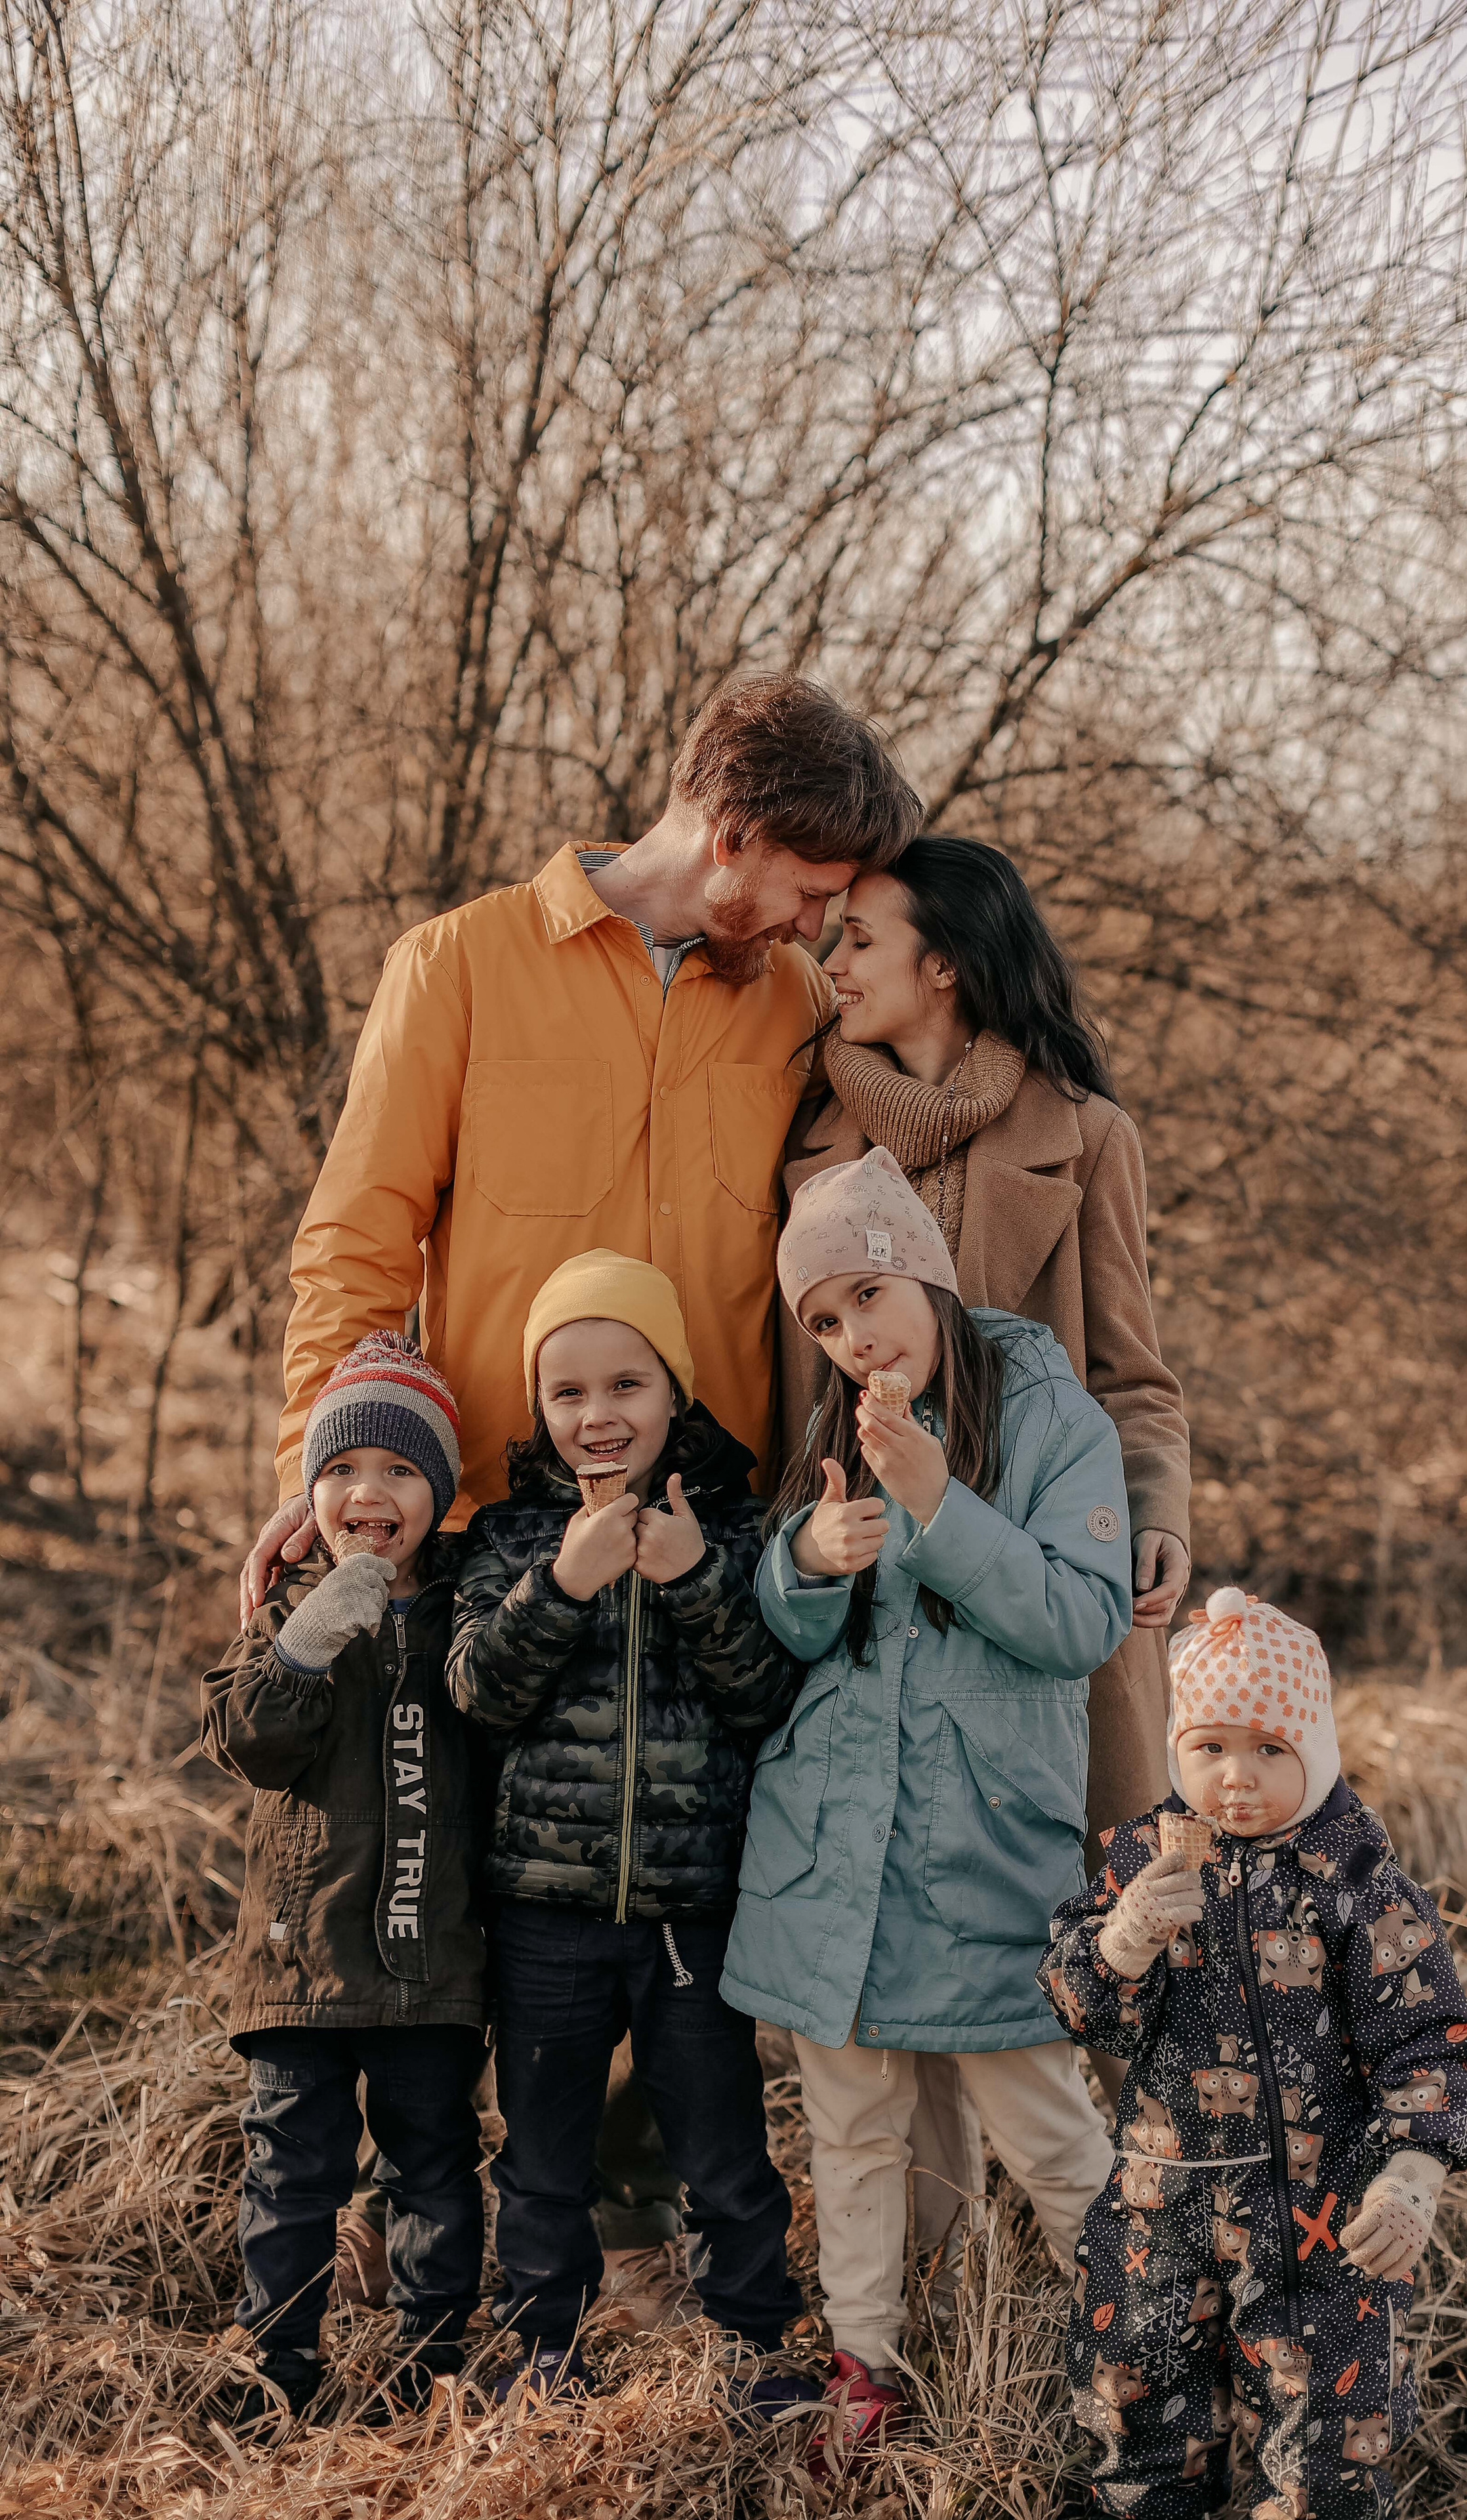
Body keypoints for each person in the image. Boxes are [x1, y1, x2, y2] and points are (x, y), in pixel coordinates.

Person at [235, 671, 919, 2277]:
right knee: (486, 1897)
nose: (824, 925)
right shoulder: (462, 964)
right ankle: (459, 2237)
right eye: (813, 890)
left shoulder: (795, 1009)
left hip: (711, 1535)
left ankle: (630, 2223)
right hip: (489, 1526)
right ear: (732, 836)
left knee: (681, 1879)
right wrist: (319, 1477)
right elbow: (354, 1239)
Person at [775, 831, 1193, 2224]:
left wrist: (1154, 1520)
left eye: (858, 942)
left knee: (1082, 1931)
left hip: (1041, 1587)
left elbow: (1131, 1375)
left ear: (942, 965)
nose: (829, 965)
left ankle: (1121, 2272)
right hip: (869, 1614)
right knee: (898, 1944)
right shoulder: (808, 1144)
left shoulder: (1085, 1135)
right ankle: (944, 2276)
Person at [722, 1147, 1130, 2452]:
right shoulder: (835, 1421)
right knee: (849, 2130)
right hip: (831, 1850)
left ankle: (1160, 2345)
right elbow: (786, 1634)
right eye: (822, 1321)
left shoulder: (1051, 1418)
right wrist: (803, 1562)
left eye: (864, 1299)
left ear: (926, 1279)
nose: (849, 1339)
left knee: (1045, 2127)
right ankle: (866, 2364)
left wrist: (932, 1503)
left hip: (982, 1850)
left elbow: (1079, 1619)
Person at [446, 1252, 814, 2409]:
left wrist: (698, 1579)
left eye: (627, 1386)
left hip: (690, 1907)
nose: (598, 1417)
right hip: (546, 1913)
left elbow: (768, 1699)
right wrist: (558, 1583)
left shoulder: (743, 1530)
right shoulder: (506, 1538)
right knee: (544, 2154)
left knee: (723, 2149)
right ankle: (544, 2358)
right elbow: (476, 1696)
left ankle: (755, 2350)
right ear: (542, 1408)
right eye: (569, 1394)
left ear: (676, 1394)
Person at [1039, 1589, 1467, 2520]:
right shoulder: (1143, 1865)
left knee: (1327, 2453)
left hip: (1322, 2224)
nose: (1235, 1777)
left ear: (1314, 1751)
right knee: (1137, 2433)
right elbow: (1083, 2009)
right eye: (1209, 1748)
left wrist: (1412, 2175)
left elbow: (1428, 2040)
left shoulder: (1359, 1884)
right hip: (1161, 2213)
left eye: (1268, 1749)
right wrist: (1125, 1941)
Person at [201, 1336, 487, 2431]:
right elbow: (244, 1739)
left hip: (430, 1961)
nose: (369, 1492)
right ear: (309, 1494)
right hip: (300, 1963)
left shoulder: (466, 1610)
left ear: (440, 1495)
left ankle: (432, 2361)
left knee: (434, 2163)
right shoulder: (287, 1616)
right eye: (342, 1471)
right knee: (290, 2172)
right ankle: (276, 2364)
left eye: (402, 1472)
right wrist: (306, 1646)